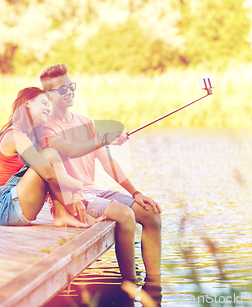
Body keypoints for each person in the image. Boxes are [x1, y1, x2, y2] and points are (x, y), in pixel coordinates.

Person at [38, 64, 162, 283]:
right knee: (125, 215)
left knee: (151, 213)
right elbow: (70, 149)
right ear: (48, 95)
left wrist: (136, 193)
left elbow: (108, 162)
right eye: (62, 89)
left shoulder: (86, 123)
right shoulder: (45, 129)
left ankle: (154, 284)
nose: (70, 92)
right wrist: (106, 138)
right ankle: (130, 285)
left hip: (94, 191)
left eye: (71, 86)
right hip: (72, 197)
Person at [0, 86, 101, 228]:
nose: (48, 109)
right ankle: (68, 213)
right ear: (27, 103)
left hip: (17, 205)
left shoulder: (29, 137)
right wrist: (78, 185)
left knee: (50, 155)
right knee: (49, 157)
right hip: (6, 208)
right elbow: (49, 174)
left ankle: (62, 215)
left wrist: (75, 196)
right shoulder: (14, 135)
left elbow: (52, 177)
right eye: (44, 103)